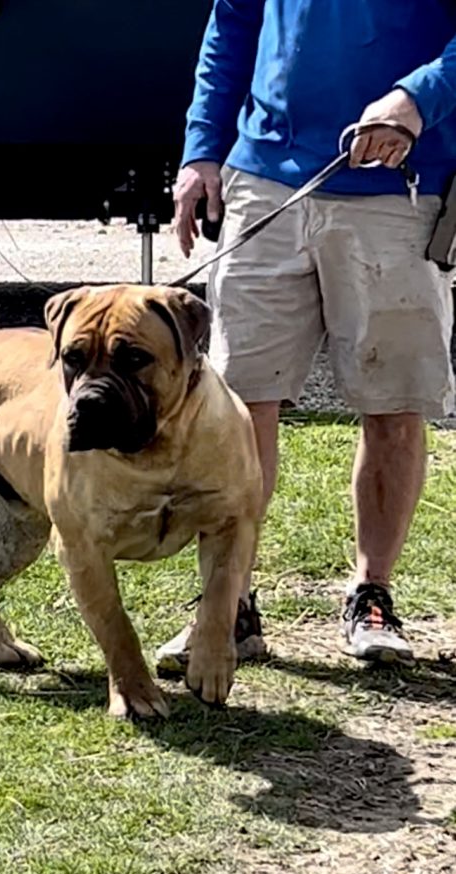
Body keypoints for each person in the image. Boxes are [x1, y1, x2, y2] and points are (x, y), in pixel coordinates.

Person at [156, 0, 456, 672]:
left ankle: (372, 594)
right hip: (262, 177)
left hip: (402, 188)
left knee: (393, 404)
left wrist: (418, 99)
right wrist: (202, 149)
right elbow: (231, 25)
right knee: (238, 405)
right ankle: (227, 607)